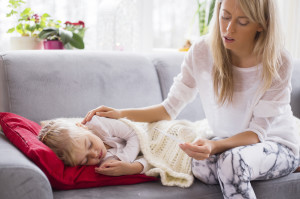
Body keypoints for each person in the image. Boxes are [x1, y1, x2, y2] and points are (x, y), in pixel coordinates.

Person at [82, 0, 300, 198]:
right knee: (198, 165)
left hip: (275, 143)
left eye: (242, 22)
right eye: (224, 16)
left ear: (262, 24)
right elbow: (168, 110)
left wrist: (215, 146)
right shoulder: (202, 51)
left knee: (232, 164)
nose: (229, 28)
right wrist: (121, 113)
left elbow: (256, 133)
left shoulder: (278, 61)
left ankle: (292, 163)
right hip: (229, 147)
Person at [38, 116, 149, 176]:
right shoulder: (104, 161)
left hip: (148, 130)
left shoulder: (100, 124)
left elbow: (135, 133)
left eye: (89, 144)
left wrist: (124, 160)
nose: (94, 154)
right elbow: (151, 160)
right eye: (85, 160)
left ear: (82, 126)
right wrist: (131, 167)